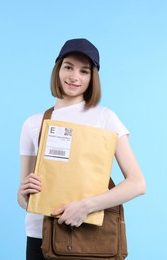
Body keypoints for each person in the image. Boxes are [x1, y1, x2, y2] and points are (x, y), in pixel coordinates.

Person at [17, 38, 146, 260]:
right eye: (68, 67)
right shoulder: (33, 123)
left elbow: (137, 183)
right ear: (58, 69)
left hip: (88, 235)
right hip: (40, 235)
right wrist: (24, 194)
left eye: (84, 71)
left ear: (92, 77)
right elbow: (23, 197)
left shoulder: (105, 118)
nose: (74, 77)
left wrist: (86, 206)